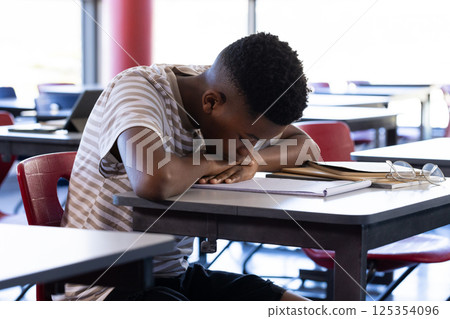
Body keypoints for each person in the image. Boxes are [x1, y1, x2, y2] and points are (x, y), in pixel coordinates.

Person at [61, 32, 320, 301]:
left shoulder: (235, 99)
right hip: (103, 286)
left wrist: (253, 162)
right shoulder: (139, 88)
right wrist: (210, 161)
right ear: (211, 102)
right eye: (249, 139)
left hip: (173, 276)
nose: (247, 150)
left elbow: (308, 148)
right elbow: (154, 180)